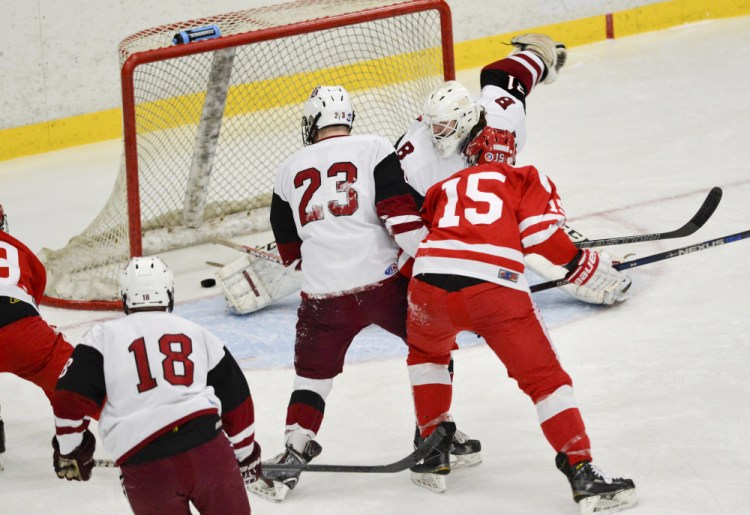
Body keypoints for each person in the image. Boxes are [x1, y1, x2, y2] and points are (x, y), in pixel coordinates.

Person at [405, 126, 636, 513]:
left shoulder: (443, 187)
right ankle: (582, 472)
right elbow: (542, 238)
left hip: (426, 288)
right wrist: (582, 264)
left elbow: (437, 237)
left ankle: (432, 451)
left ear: (471, 155)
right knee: (545, 380)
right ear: (509, 154)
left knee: (427, 355)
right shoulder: (524, 177)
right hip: (493, 293)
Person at [247, 84, 433, 502]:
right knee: (431, 349)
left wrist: (321, 267)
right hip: (385, 283)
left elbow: (290, 252)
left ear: (312, 123)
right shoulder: (375, 147)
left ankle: (295, 451)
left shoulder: (287, 169)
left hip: (322, 296)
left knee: (312, 377)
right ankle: (435, 435)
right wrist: (432, 261)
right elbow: (399, 213)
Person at [396, 33, 632, 306]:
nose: (437, 134)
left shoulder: (502, 117)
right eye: (434, 126)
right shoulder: (419, 162)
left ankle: (567, 256)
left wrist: (537, 55)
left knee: (512, 219)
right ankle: (573, 265)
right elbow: (401, 219)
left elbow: (502, 76)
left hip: (472, 185)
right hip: (424, 202)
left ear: (467, 120)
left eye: (444, 127)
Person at [51, 256, 260, 515]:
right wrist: (246, 453)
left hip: (145, 461)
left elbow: (68, 398)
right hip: (207, 449)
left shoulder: (101, 336)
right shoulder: (198, 332)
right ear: (170, 294)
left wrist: (69, 448)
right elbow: (236, 397)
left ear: (125, 298)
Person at [0, 203, 76, 469]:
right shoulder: (18, 249)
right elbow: (35, 293)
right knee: (78, 381)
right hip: (22, 329)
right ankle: (73, 444)